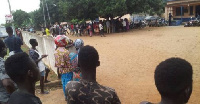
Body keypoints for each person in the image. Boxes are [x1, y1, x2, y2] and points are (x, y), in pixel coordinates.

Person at [54, 35, 73, 100]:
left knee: (64, 82)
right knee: (68, 82)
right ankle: (68, 96)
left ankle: (65, 95)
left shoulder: (56, 51)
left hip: (61, 70)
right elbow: (68, 62)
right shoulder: (66, 52)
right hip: (67, 69)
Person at [0, 40, 16, 104]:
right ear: (2, 49)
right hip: (5, 99)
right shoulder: (1, 63)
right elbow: (7, 84)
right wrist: (16, 97)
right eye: (5, 47)